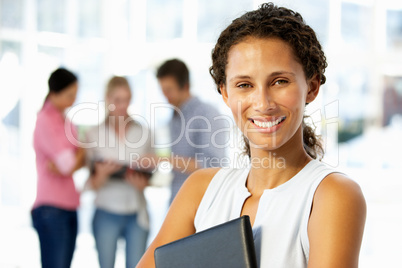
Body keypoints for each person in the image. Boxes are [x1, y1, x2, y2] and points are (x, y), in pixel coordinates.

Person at [137, 3, 366, 268]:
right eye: (244, 85)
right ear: (225, 94)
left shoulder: (331, 195)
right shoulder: (200, 189)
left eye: (279, 81)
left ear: (312, 87)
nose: (262, 103)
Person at [85, 76, 152, 268]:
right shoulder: (94, 134)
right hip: (106, 211)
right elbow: (91, 184)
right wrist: (103, 174)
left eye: (127, 99)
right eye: (117, 100)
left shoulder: (144, 133)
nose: (123, 106)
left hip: (136, 212)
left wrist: (143, 183)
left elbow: (151, 173)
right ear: (107, 99)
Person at [32, 67, 85, 268]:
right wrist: (80, 151)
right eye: (70, 95)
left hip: (70, 205)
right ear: (54, 94)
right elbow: (69, 165)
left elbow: (72, 162)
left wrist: (77, 155)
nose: (74, 100)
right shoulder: (45, 120)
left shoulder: (66, 120)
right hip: (51, 209)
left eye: (75, 94)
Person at [156, 59, 228, 202]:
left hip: (202, 203)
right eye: (163, 90)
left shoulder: (208, 114)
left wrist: (164, 159)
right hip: (177, 198)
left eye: (169, 90)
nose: (165, 97)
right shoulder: (174, 117)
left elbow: (213, 165)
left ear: (186, 86)